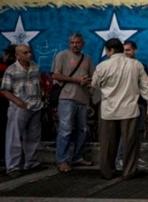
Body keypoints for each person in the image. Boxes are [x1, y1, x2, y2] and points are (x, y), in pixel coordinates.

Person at [91, 39, 148, 180]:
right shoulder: (136, 65)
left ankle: (107, 172)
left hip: (108, 110)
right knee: (130, 143)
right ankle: (129, 171)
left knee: (107, 144)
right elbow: (145, 86)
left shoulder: (102, 66)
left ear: (110, 50)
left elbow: (95, 85)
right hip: (130, 110)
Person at [52, 33, 95, 173]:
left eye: (77, 42)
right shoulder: (62, 56)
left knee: (82, 130)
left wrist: (87, 83)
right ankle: (62, 160)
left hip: (82, 98)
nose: (75, 45)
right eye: (72, 42)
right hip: (67, 97)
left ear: (83, 44)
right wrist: (77, 80)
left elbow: (93, 77)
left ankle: (77, 157)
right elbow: (55, 75)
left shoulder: (87, 58)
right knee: (65, 130)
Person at [1, 44, 45, 178]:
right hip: (19, 108)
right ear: (18, 55)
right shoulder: (11, 70)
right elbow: (4, 90)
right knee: (14, 137)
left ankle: (31, 162)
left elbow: (39, 84)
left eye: (29, 52)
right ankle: (12, 167)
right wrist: (18, 102)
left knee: (32, 136)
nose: (29, 55)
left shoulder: (35, 67)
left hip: (35, 106)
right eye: (25, 53)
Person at [115, 40, 148, 170]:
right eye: (124, 50)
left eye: (128, 50)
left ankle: (135, 157)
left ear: (135, 50)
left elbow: (146, 85)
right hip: (125, 104)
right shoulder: (119, 66)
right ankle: (120, 158)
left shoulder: (141, 66)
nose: (126, 53)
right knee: (125, 132)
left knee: (139, 132)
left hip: (140, 103)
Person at [0, 44, 17, 168]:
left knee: (7, 131)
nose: (6, 56)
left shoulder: (15, 67)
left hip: (9, 102)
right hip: (3, 101)